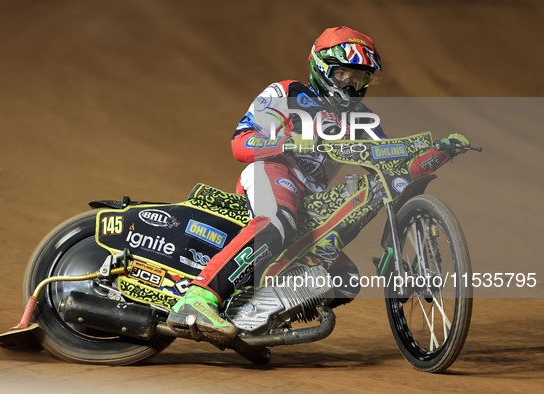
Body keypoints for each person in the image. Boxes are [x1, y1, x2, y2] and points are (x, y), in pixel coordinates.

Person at [167, 26, 469, 343]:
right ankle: (198, 298)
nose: (352, 87)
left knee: (343, 278)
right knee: (278, 221)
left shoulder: (364, 119)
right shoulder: (286, 93)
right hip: (273, 172)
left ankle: (248, 321)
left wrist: (439, 154)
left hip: (314, 199)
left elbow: (392, 169)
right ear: (322, 68)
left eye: (360, 79)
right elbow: (240, 143)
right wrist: (286, 143)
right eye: (343, 76)